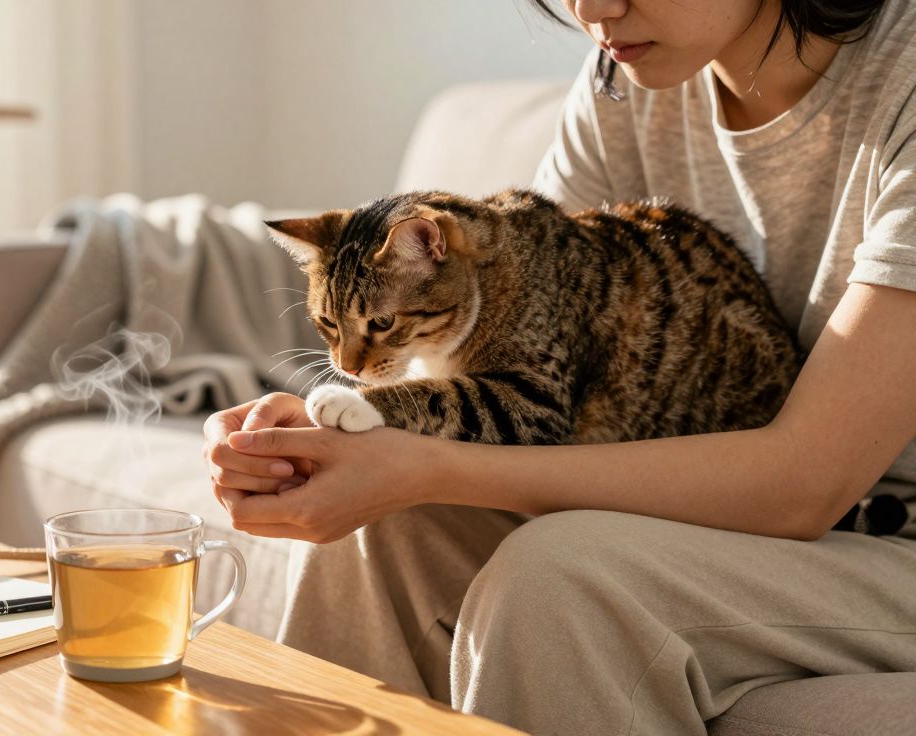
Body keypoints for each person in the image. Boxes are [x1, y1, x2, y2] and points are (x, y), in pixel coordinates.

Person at [200, 1, 916, 733]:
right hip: (710, 480)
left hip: (887, 537)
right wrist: (344, 451)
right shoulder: (627, 71)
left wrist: (420, 463)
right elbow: (528, 335)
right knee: (380, 523)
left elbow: (803, 486)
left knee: (554, 578)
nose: (591, 10)